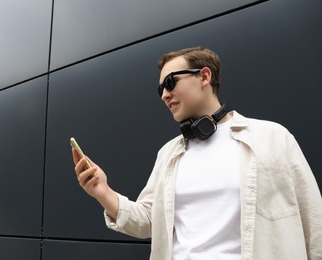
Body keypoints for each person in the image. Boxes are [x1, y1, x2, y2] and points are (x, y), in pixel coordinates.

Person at [72, 46, 322, 260]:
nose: (165, 95)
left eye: (170, 82)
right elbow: (148, 220)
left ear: (204, 76)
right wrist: (102, 192)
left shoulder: (273, 137)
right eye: (161, 90)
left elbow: (314, 221)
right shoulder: (169, 154)